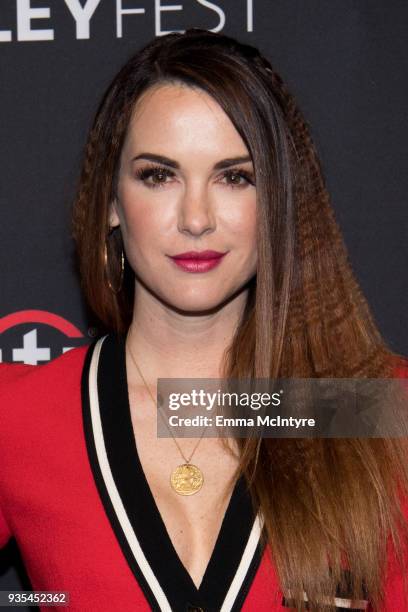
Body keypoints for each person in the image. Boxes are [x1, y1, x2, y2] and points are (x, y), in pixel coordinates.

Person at [1, 28, 408, 612]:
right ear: (112, 202)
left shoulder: (372, 407)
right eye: (159, 175)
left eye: (234, 177)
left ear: (277, 200)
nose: (196, 217)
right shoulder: (19, 417)